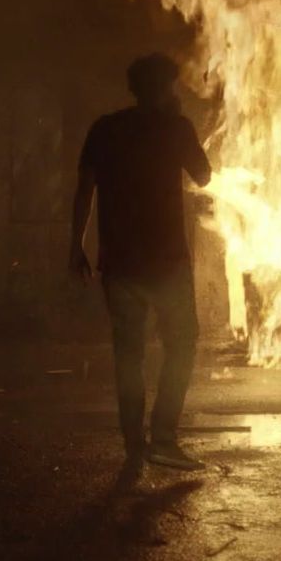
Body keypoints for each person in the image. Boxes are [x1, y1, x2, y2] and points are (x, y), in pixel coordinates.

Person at [70, 53, 212, 471]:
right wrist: (180, 121)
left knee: (128, 354)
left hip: (119, 263)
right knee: (182, 344)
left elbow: (84, 191)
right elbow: (203, 176)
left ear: (133, 88)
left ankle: (134, 443)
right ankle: (163, 438)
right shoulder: (175, 128)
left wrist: (75, 245)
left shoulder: (104, 129)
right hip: (166, 261)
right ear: (167, 88)